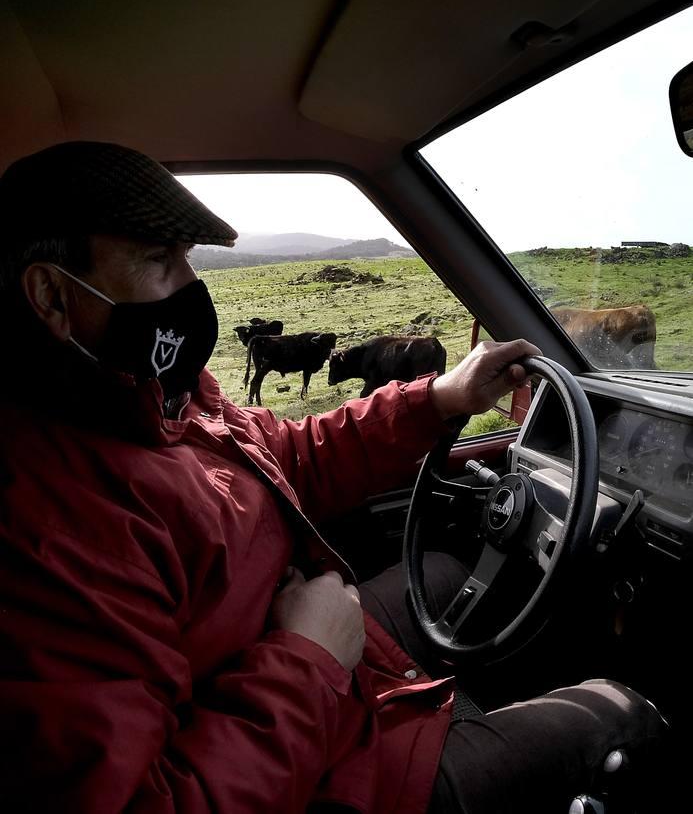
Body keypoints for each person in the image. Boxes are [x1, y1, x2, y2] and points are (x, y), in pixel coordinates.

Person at [0, 142, 665, 814]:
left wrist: (437, 399)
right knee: (618, 715)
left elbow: (285, 457)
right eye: (158, 260)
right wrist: (308, 658)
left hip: (287, 670)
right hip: (306, 765)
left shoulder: (161, 396)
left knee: (449, 571)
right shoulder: (46, 529)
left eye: (188, 258)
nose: (190, 286)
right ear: (52, 295)